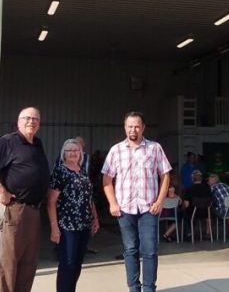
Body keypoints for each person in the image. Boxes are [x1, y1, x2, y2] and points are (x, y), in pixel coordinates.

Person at [0, 107, 50, 292]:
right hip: (15, 210)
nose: (31, 122)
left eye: (35, 119)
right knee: (9, 264)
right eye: (27, 118)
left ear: (39, 124)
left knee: (28, 263)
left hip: (34, 210)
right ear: (18, 122)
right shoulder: (8, 142)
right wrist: (1, 191)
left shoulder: (37, 144)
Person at [102, 111, 171, 292]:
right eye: (130, 126)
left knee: (149, 251)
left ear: (143, 128)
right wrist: (113, 203)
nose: (133, 129)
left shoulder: (154, 148)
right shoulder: (116, 150)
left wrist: (160, 200)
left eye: (137, 126)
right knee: (130, 249)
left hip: (149, 208)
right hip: (125, 209)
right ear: (125, 128)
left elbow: (165, 175)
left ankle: (149, 288)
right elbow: (107, 180)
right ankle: (134, 288)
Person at [48, 139, 100, 292]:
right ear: (63, 153)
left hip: (84, 224)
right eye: (69, 150)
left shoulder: (82, 170)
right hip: (67, 225)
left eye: (75, 150)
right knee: (68, 262)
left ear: (81, 154)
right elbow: (51, 201)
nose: (72, 153)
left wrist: (95, 218)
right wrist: (54, 227)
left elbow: (89, 197)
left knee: (78, 262)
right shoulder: (60, 171)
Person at [181, 170, 212, 239]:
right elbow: (210, 201)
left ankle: (189, 233)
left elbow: (186, 204)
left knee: (182, 213)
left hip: (193, 213)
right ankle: (208, 233)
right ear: (201, 178)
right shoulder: (208, 188)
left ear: (192, 179)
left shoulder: (189, 189)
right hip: (206, 213)